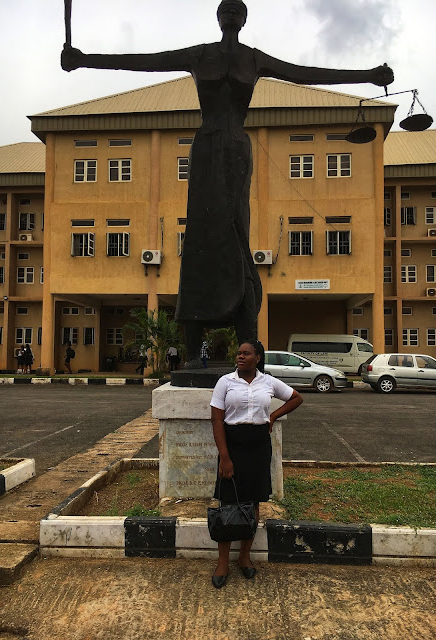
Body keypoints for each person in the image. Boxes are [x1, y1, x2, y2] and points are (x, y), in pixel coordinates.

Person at [61, 0, 394, 367]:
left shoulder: (254, 59)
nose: (232, 14)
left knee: (236, 229)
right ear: (218, 17)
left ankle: (245, 332)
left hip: (236, 148)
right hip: (205, 147)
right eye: (227, 9)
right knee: (201, 233)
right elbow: (146, 61)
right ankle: (192, 351)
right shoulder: (199, 55)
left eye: (238, 10)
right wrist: (85, 59)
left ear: (244, 19)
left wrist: (367, 74)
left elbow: (303, 73)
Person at [209, 339, 303, 588]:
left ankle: (244, 557)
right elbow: (217, 420)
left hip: (259, 447)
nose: (240, 357)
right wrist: (224, 457)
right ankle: (222, 562)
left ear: (258, 358)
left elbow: (296, 398)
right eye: (238, 353)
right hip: (232, 446)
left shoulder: (268, 382)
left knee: (253, 503)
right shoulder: (225, 382)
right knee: (228, 502)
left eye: (246, 353)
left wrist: (273, 416)